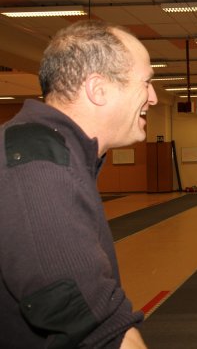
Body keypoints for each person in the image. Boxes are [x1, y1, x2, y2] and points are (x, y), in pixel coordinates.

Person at [0, 20, 157, 348]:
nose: (153, 98)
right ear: (98, 90)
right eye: (146, 83)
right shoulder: (38, 167)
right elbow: (92, 323)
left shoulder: (55, 155)